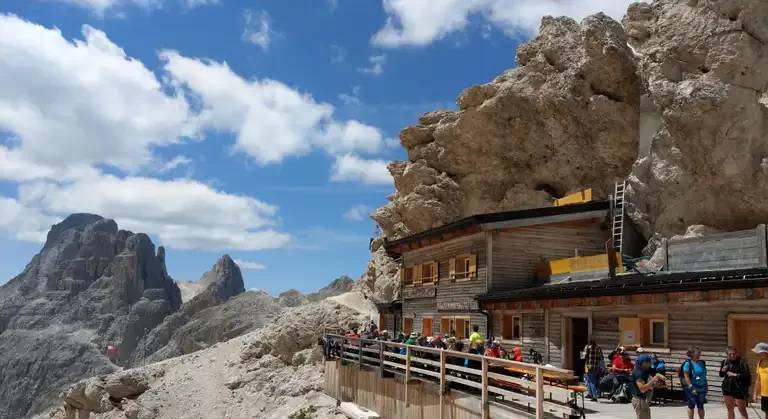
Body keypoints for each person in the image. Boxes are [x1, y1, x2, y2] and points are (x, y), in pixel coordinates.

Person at [629, 354, 666, 419]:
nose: (650, 364)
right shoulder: (638, 373)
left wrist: (659, 378)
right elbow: (642, 389)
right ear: (644, 363)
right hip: (639, 400)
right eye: (649, 362)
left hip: (644, 399)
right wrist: (654, 379)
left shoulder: (644, 369)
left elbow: (649, 384)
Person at [720, 346, 751, 419]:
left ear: (736, 353)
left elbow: (746, 375)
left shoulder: (742, 362)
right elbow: (721, 375)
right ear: (727, 354)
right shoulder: (724, 362)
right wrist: (723, 371)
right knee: (730, 409)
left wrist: (735, 375)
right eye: (730, 354)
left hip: (738, 388)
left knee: (742, 410)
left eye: (733, 354)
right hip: (727, 388)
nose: (732, 356)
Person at [682, 346, 708, 419]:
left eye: (700, 352)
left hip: (702, 387)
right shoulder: (688, 364)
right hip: (692, 387)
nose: (700, 354)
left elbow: (704, 375)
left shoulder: (702, 363)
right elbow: (686, 377)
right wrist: (691, 387)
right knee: (691, 405)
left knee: (701, 405)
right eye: (698, 352)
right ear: (692, 353)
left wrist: (706, 385)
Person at [583, 335, 604, 402]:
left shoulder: (587, 347)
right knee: (589, 380)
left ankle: (594, 396)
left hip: (588, 366)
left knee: (591, 381)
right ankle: (590, 394)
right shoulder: (598, 348)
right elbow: (601, 357)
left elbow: (584, 356)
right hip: (595, 366)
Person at [753, 342, 768, 419]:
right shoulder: (760, 363)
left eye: (758, 352)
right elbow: (758, 380)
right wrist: (755, 394)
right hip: (764, 394)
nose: (757, 354)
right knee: (766, 413)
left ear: (765, 352)